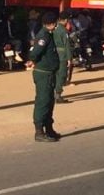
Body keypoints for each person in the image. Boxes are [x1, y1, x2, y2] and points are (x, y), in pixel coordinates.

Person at [26, 12, 61, 142]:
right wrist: (32, 60)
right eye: (55, 23)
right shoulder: (44, 36)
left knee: (49, 101)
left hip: (49, 72)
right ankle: (39, 131)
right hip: (43, 73)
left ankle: (49, 128)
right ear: (51, 24)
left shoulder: (48, 34)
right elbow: (35, 52)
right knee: (43, 101)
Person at [53, 11, 72, 104]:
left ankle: (54, 93)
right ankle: (58, 95)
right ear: (65, 20)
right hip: (63, 55)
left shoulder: (55, 29)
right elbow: (67, 45)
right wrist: (69, 58)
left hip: (55, 54)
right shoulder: (64, 31)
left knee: (56, 75)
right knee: (62, 75)